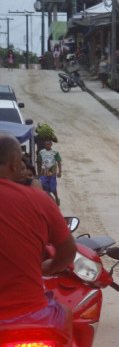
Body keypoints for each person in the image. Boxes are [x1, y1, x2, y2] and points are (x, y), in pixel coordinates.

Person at [0, 133, 76, 336]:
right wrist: (50, 266)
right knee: (67, 313)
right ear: (16, 164)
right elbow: (68, 251)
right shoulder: (40, 200)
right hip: (31, 312)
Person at [38, 139, 62, 206]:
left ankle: (56, 198)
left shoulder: (55, 152)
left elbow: (59, 162)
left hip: (53, 172)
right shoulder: (41, 152)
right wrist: (39, 172)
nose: (47, 145)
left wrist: (60, 172)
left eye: (49, 144)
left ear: (51, 144)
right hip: (44, 172)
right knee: (43, 186)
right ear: (44, 145)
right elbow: (39, 162)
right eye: (46, 144)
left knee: (53, 187)